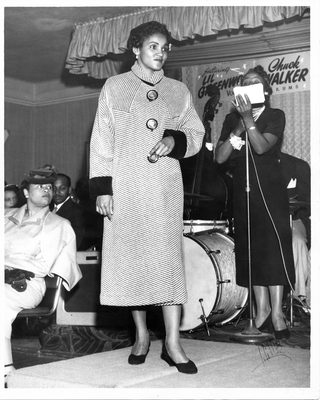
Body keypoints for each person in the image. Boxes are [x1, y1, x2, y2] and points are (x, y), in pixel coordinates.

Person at [89, 21, 204, 374]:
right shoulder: (115, 87)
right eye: (153, 46)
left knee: (168, 265)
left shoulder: (178, 90)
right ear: (136, 49)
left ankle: (172, 343)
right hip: (127, 188)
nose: (160, 52)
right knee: (133, 264)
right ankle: (140, 335)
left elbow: (195, 132)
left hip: (164, 189)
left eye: (165, 47)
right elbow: (101, 138)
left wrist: (174, 140)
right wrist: (103, 189)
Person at [215, 65, 295, 340]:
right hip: (243, 191)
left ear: (265, 90)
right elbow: (221, 157)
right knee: (252, 249)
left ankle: (277, 313)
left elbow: (261, 147)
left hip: (270, 190)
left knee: (272, 249)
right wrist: (239, 123)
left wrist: (249, 119)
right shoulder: (230, 119)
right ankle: (260, 311)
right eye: (244, 82)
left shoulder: (275, 115)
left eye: (255, 82)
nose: (249, 84)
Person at [4, 168, 82, 382]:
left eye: (49, 186)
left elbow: (57, 267)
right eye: (40, 186)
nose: (47, 189)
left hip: (26, 283)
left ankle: (6, 370)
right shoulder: (5, 217)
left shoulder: (58, 225)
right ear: (26, 193)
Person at [279, 152, 311, 306]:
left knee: (296, 241)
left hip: (293, 218)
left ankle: (297, 299)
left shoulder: (298, 165)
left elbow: (306, 203)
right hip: (263, 222)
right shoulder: (253, 166)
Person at [52, 173, 86, 250]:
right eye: (54, 188)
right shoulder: (47, 208)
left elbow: (75, 243)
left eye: (62, 188)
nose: (57, 192)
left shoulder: (77, 212)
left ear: (69, 190)